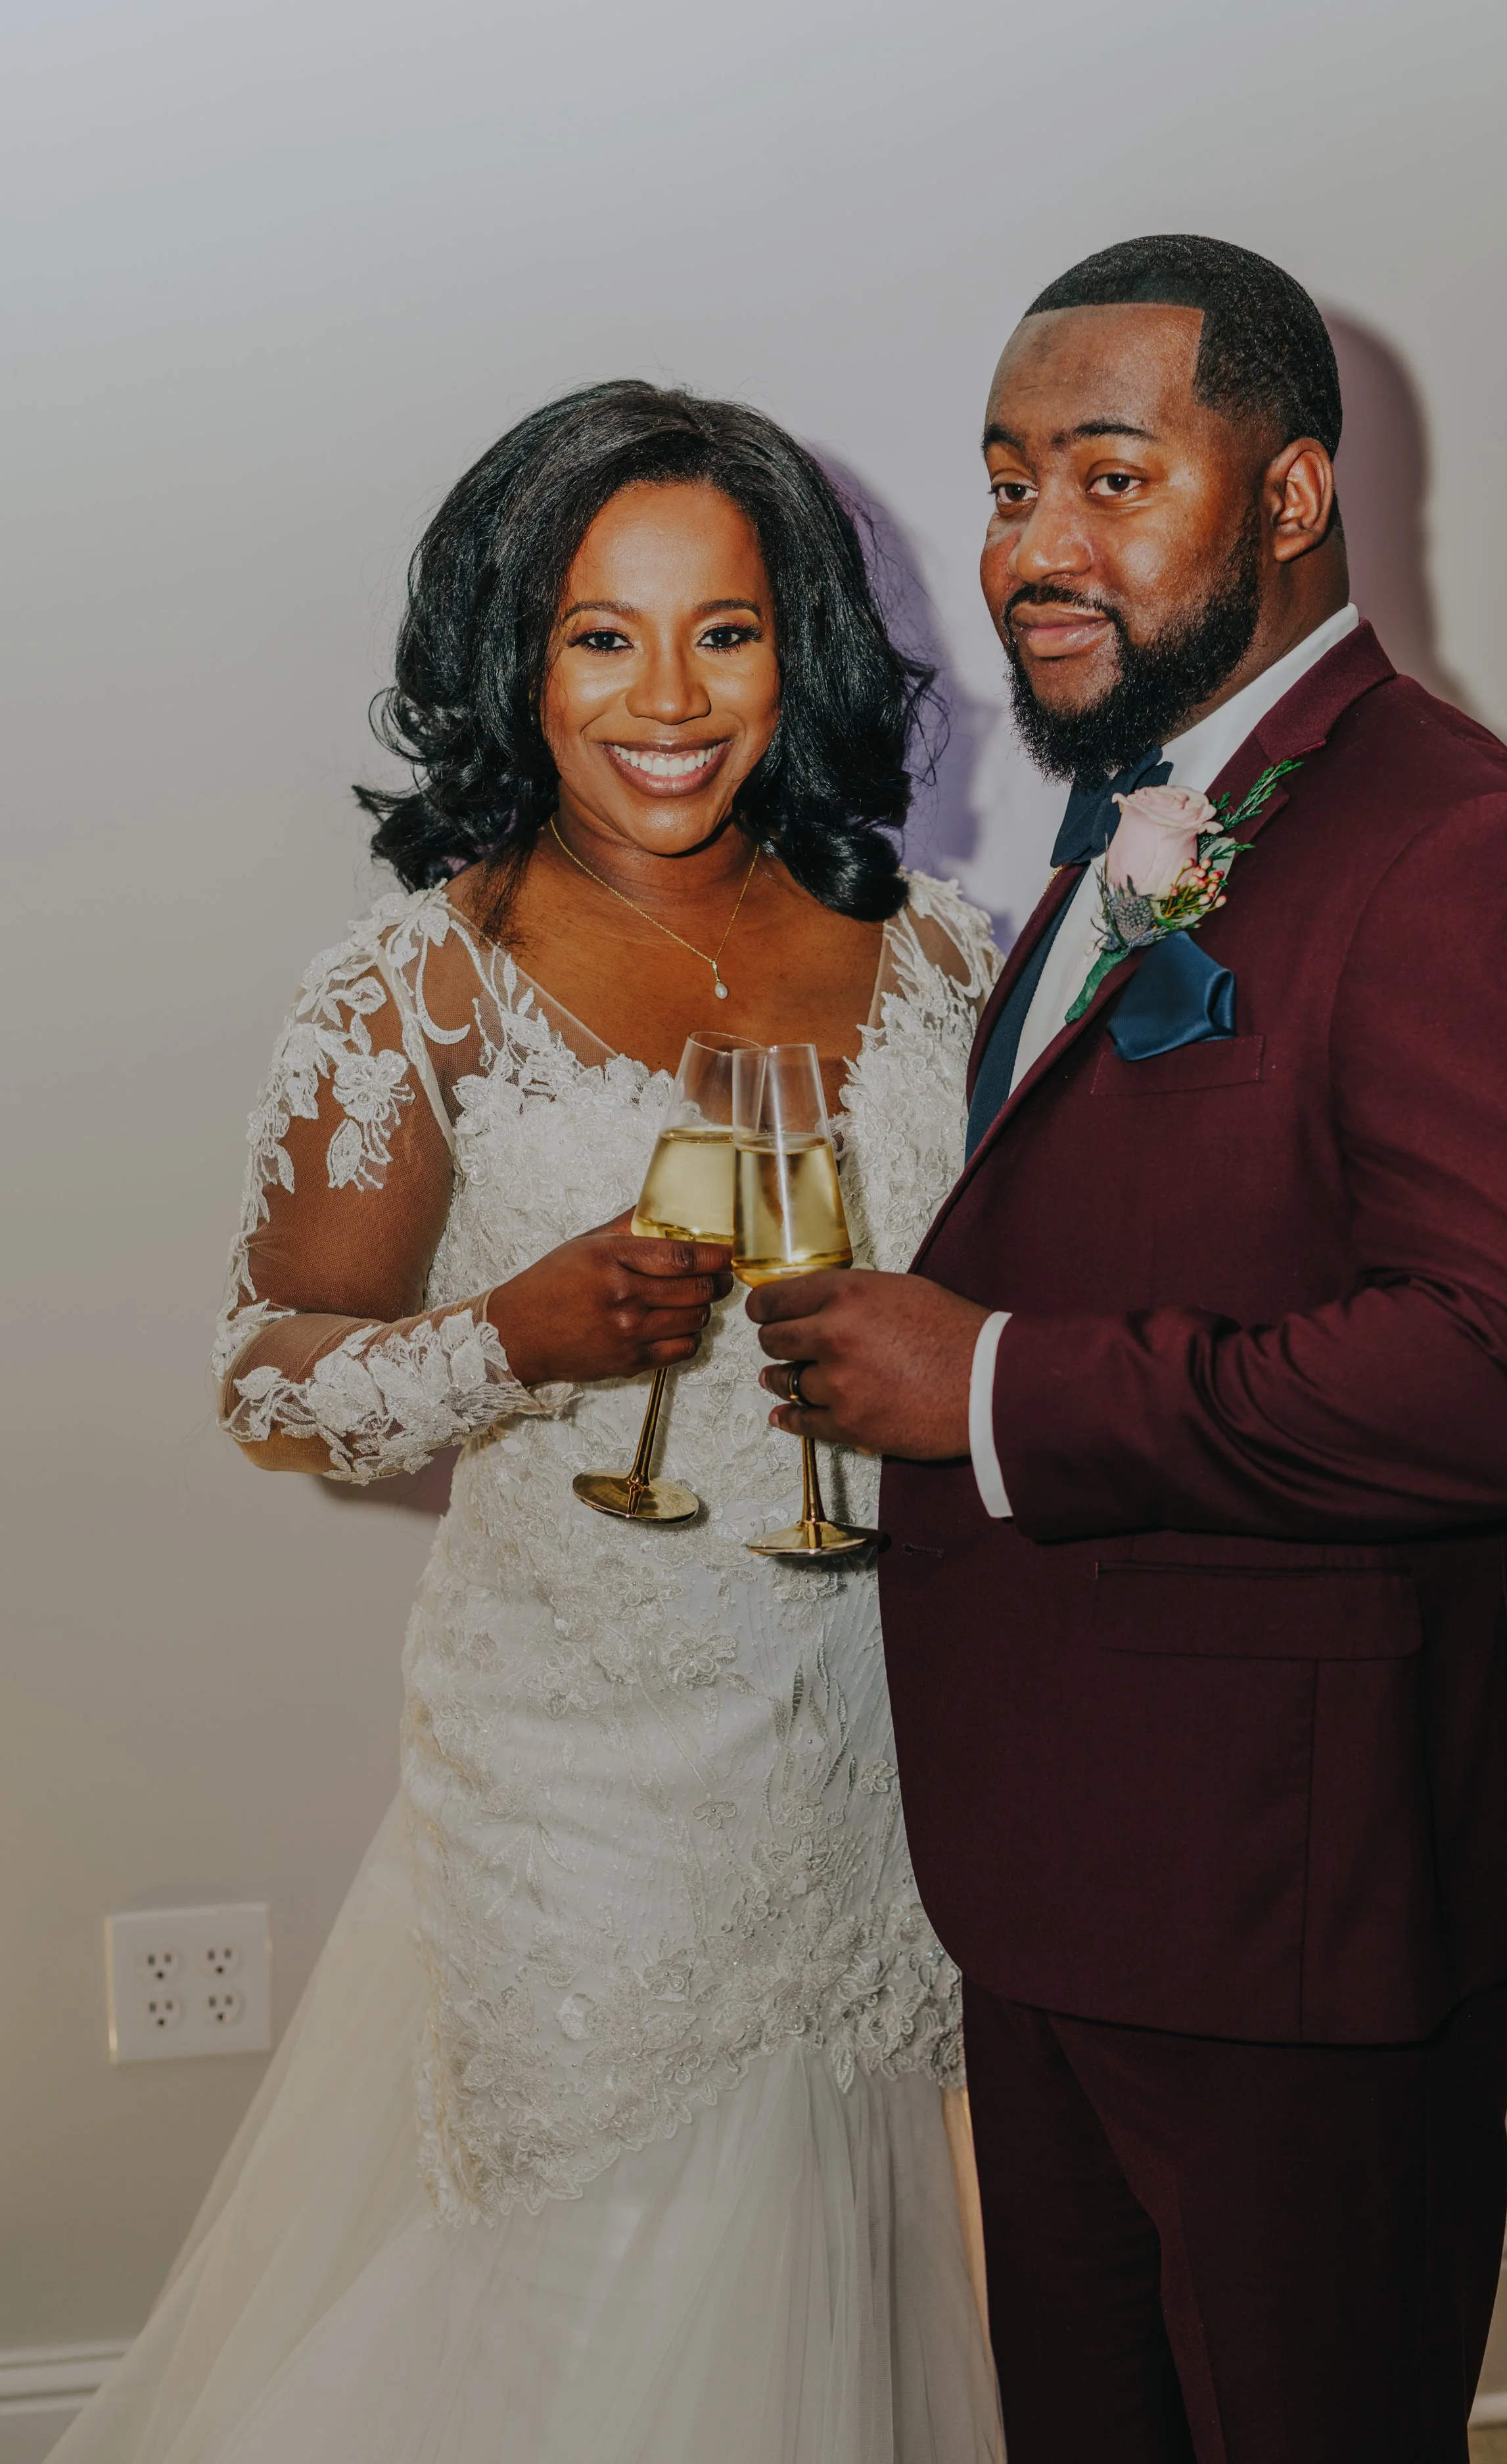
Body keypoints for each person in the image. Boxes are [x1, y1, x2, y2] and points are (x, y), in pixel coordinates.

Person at [747, 235, 1507, 2461]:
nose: (1033, 544)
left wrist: (979, 1390)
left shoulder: (1469, 852)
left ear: (1290, 495)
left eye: (1109, 476)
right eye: (1002, 478)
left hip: (1300, 1905)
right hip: (1061, 1875)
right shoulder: (1130, 823)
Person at [59, 383, 1000, 2464]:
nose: (666, 697)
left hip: (890, 1749)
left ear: (802, 651)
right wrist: (508, 1333)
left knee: (842, 2300)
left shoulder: (944, 953)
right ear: (515, 655)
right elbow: (263, 1368)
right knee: (606, 2325)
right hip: (584, 1789)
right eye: (600, 634)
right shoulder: (423, 981)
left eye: (724, 631)